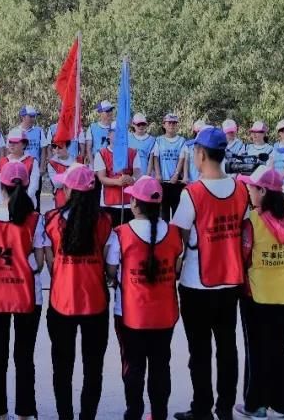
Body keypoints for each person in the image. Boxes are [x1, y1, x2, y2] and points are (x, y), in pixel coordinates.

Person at [171, 127, 248, 420]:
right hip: (231, 280)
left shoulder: (193, 193)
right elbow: (245, 230)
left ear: (201, 154)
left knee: (200, 351)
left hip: (197, 283)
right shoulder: (241, 189)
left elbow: (179, 236)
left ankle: (201, 408)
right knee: (228, 348)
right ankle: (225, 408)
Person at [43, 164, 118, 420]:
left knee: (62, 368)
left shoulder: (52, 220)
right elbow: (109, 264)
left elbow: (50, 263)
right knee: (93, 368)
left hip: (61, 301)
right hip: (95, 302)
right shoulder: (105, 221)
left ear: (68, 190)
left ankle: (65, 416)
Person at [0, 162, 46, 420]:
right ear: (27, 186)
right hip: (28, 293)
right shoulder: (35, 219)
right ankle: (25, 412)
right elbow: (39, 261)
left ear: (0, 185)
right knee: (24, 355)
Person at [114, 176, 183, 420]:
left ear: (134, 203)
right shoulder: (173, 232)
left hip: (131, 314)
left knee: (133, 366)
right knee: (160, 366)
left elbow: (111, 270)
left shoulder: (121, 233)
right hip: (165, 315)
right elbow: (177, 267)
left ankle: (133, 412)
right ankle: (159, 414)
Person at [236, 166, 284, 420]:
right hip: (283, 292)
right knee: (280, 348)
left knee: (257, 350)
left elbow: (243, 256)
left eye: (251, 187)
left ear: (262, 191)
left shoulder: (252, 221)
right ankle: (281, 404)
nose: (248, 191)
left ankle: (256, 405)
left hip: (256, 294)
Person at [94, 127, 141, 227]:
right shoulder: (101, 154)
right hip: (109, 202)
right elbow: (101, 178)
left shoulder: (133, 152)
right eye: (115, 132)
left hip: (129, 203)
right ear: (109, 135)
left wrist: (132, 179)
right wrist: (117, 182)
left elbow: (137, 172)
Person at [151, 113, 187, 219]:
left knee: (177, 214)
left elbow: (182, 158)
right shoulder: (158, 140)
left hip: (176, 182)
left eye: (174, 123)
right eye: (169, 122)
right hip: (163, 182)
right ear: (164, 125)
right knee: (163, 215)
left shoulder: (182, 140)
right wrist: (158, 174)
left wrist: (176, 174)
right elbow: (155, 157)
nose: (171, 125)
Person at [0, 129, 41, 208]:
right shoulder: (3, 161)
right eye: (10, 142)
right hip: (5, 204)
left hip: (26, 205)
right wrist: (1, 200)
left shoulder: (32, 161)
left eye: (15, 142)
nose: (12, 145)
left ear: (24, 144)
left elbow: (34, 185)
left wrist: (22, 200)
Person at [47, 139, 77, 209]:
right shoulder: (52, 163)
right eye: (54, 146)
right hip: (60, 197)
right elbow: (57, 184)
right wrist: (71, 173)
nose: (57, 149)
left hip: (76, 197)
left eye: (60, 146)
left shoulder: (76, 160)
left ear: (67, 146)